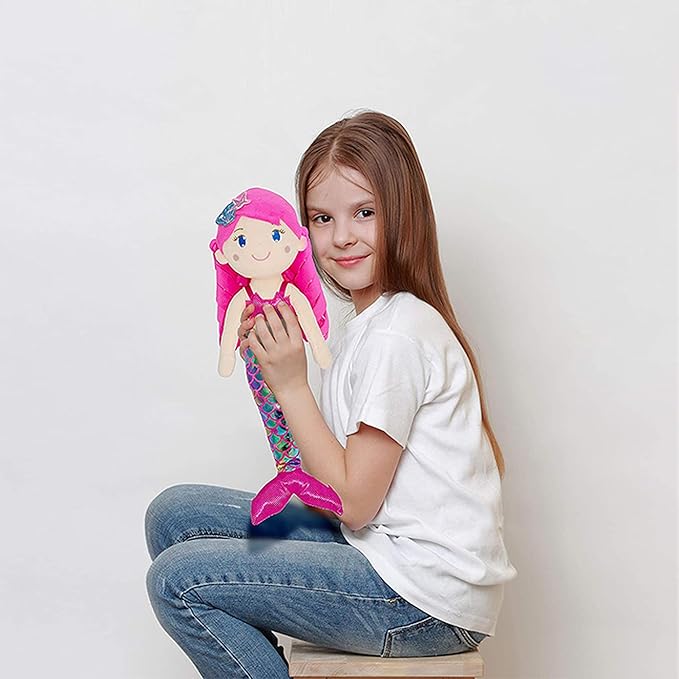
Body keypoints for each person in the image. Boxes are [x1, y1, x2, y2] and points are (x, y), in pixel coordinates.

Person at [144, 109, 518, 678]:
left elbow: (353, 502)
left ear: (404, 213)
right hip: (378, 552)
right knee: (174, 515)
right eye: (322, 218)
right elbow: (330, 487)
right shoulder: (361, 328)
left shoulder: (398, 334)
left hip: (421, 598)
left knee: (179, 580)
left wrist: (293, 385)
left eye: (364, 212)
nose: (341, 237)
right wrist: (273, 380)